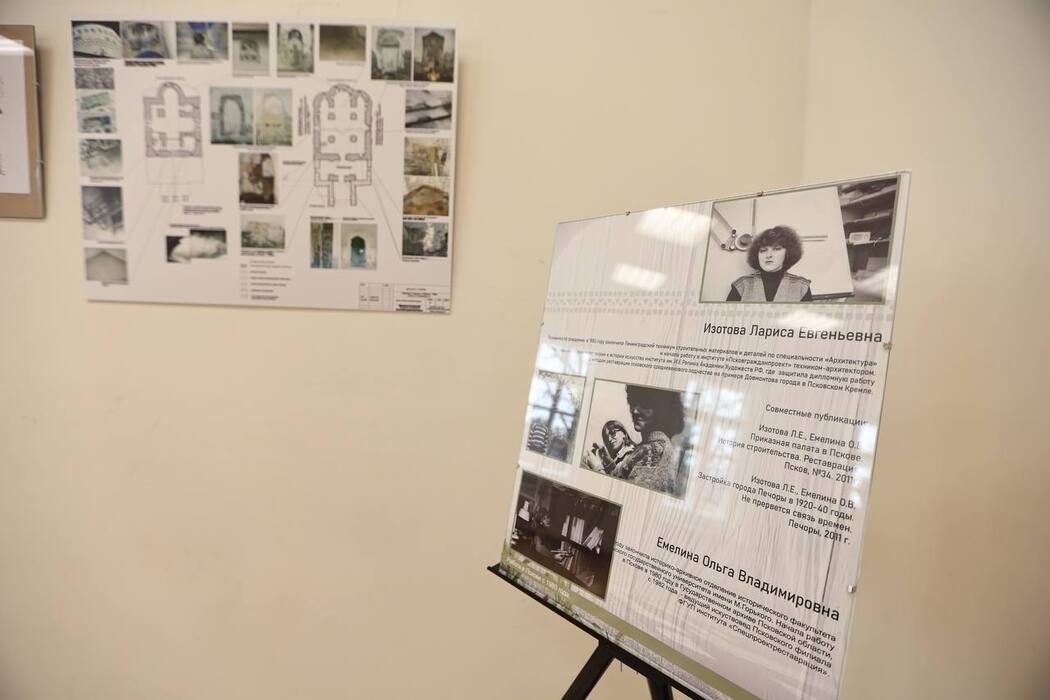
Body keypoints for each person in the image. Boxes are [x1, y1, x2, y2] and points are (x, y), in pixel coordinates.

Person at [583, 386, 685, 495]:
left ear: (661, 411)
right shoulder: (649, 446)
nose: (635, 411)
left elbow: (627, 496)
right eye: (633, 403)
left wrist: (597, 467)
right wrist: (606, 460)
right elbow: (623, 477)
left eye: (645, 404)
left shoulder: (656, 451)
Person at [726, 225, 813, 302]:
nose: (768, 255)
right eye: (763, 250)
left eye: (776, 249)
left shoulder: (801, 287)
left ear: (788, 253)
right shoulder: (742, 285)